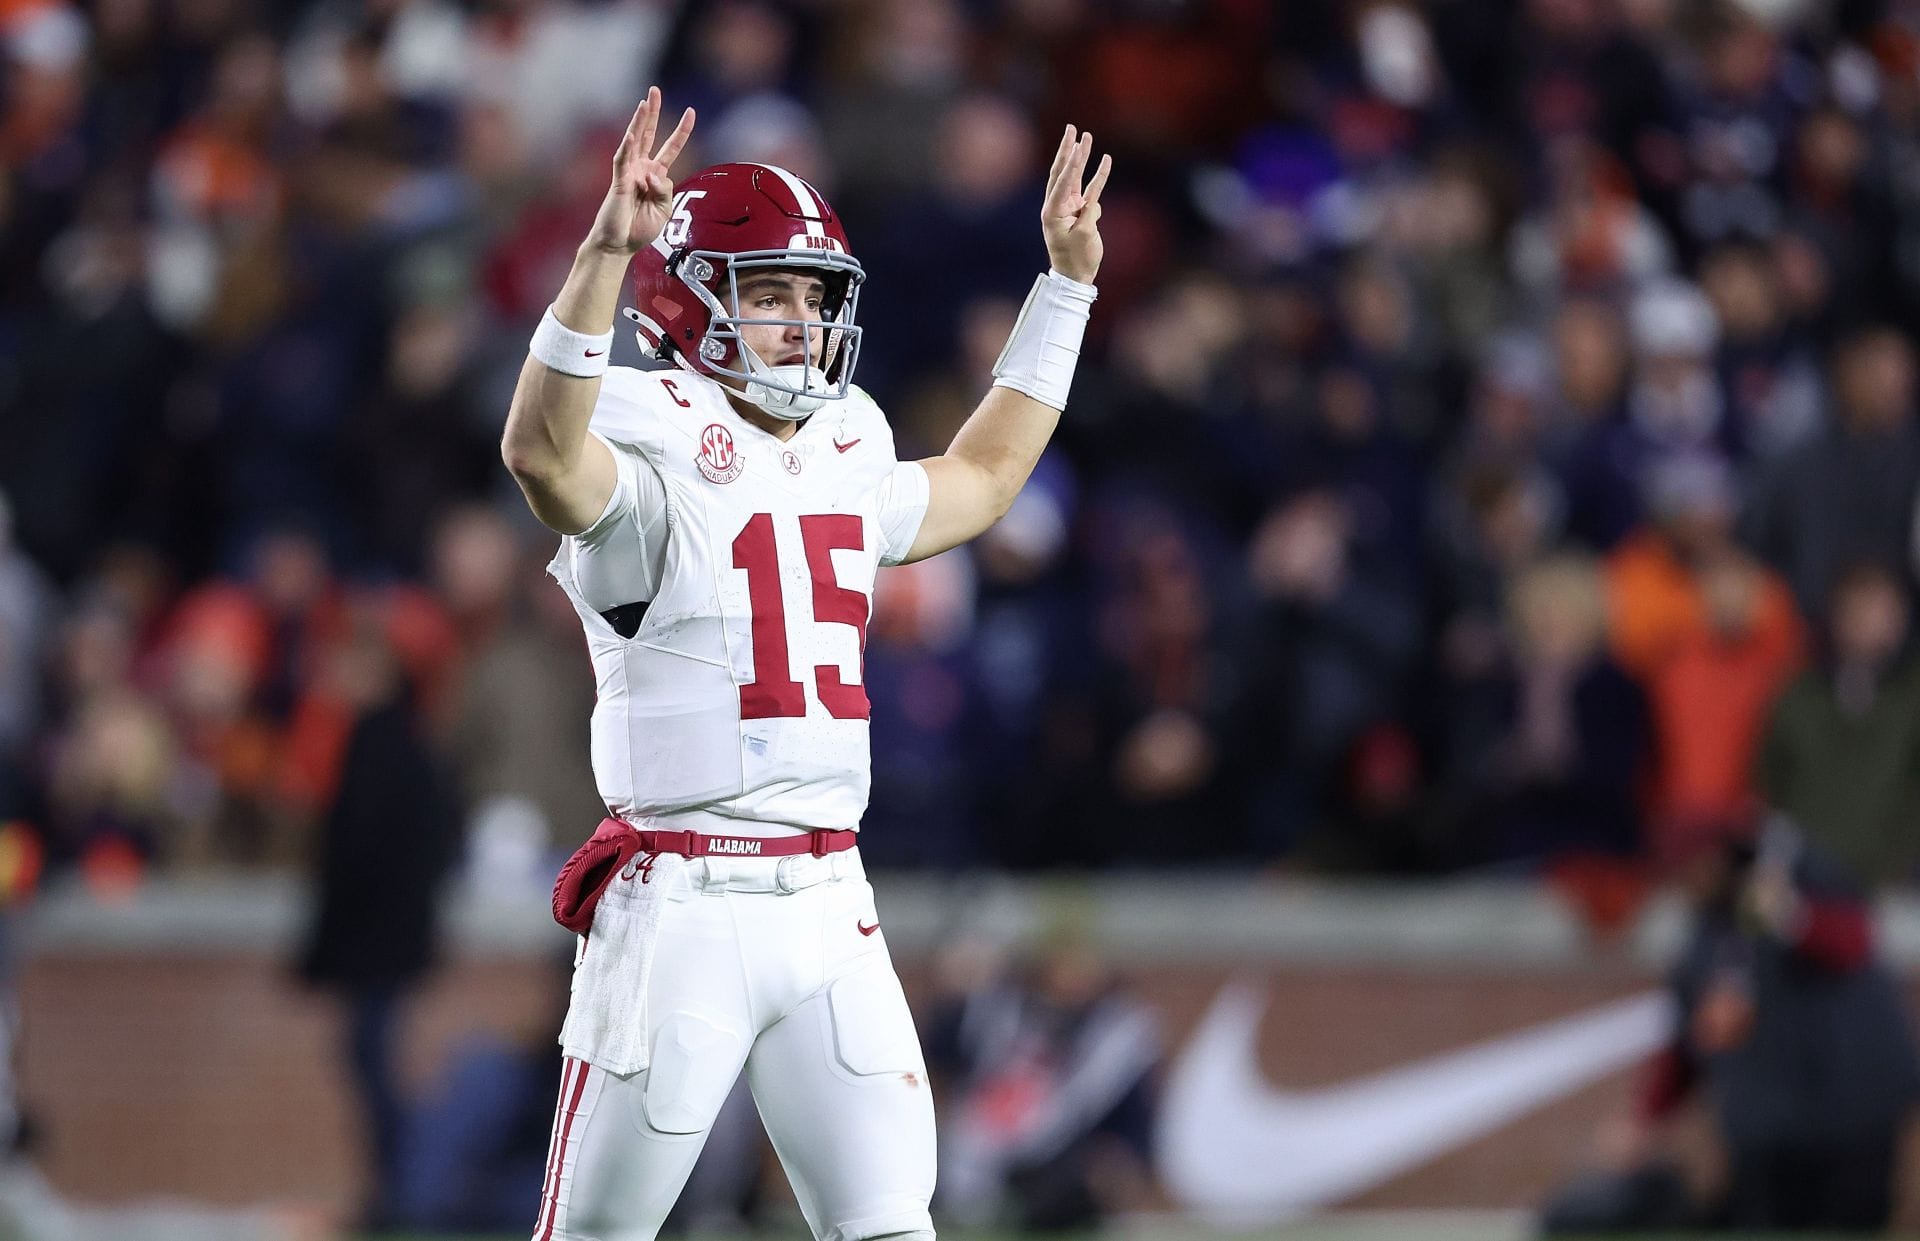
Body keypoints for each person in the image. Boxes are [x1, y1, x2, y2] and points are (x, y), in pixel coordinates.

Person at [497, 87, 1110, 1241]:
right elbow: (540, 453)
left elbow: (983, 479)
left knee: (891, 1225)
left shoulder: (847, 436)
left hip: (830, 898)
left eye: (815, 296)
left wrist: (1064, 290)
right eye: (769, 291)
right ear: (687, 297)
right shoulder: (643, 425)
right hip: (681, 900)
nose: (800, 320)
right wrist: (603, 255)